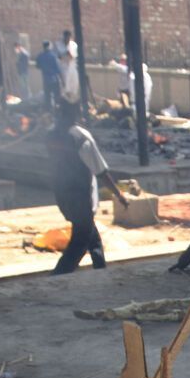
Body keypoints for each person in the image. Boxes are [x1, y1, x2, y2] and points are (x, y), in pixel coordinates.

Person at [45, 100, 120, 274]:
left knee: (90, 233)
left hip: (61, 193)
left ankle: (100, 268)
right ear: (75, 115)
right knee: (80, 240)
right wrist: (119, 195)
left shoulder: (51, 134)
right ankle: (58, 275)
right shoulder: (80, 136)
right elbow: (100, 170)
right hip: (81, 195)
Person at [58, 30, 81, 104]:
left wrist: (66, 54)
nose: (66, 39)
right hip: (63, 67)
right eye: (65, 37)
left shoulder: (73, 45)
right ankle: (65, 102)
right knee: (65, 85)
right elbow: (59, 57)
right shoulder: (59, 45)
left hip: (72, 66)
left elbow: (72, 56)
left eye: (68, 37)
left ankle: (73, 101)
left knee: (74, 84)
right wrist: (65, 54)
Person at [38, 40, 62, 107]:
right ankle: (57, 111)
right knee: (56, 97)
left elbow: (38, 65)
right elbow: (58, 69)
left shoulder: (40, 56)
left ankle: (49, 112)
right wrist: (62, 80)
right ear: (49, 46)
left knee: (47, 97)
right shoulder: (53, 56)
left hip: (46, 80)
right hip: (54, 80)